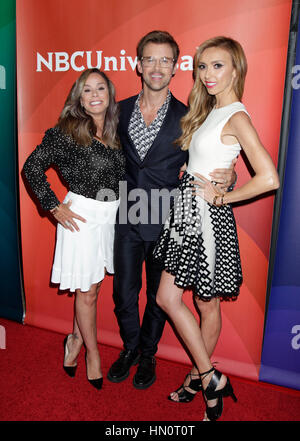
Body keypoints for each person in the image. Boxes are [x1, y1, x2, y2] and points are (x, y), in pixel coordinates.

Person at [153, 36, 279, 420]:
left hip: (206, 217)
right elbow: (216, 157)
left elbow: (269, 178)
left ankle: (206, 377)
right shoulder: (209, 109)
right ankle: (203, 379)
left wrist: (223, 196)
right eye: (203, 66)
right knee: (199, 302)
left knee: (179, 299)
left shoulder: (237, 115)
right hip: (187, 210)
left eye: (217, 65)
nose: (208, 74)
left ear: (236, 69)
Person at [107, 30, 236, 390]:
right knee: (123, 293)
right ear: (139, 64)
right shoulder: (119, 110)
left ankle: (148, 353)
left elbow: (209, 158)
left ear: (176, 67)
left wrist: (231, 174)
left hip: (167, 220)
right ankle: (130, 348)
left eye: (165, 60)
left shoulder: (189, 116)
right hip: (128, 215)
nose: (157, 67)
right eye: (150, 59)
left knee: (157, 297)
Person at [23, 68, 125, 390]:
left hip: (110, 216)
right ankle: (91, 353)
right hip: (80, 218)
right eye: (87, 90)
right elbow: (31, 168)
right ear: (78, 98)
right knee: (88, 291)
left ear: (109, 95)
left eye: (100, 89)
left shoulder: (115, 130)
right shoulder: (66, 132)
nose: (94, 95)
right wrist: (54, 206)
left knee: (92, 287)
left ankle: (74, 341)